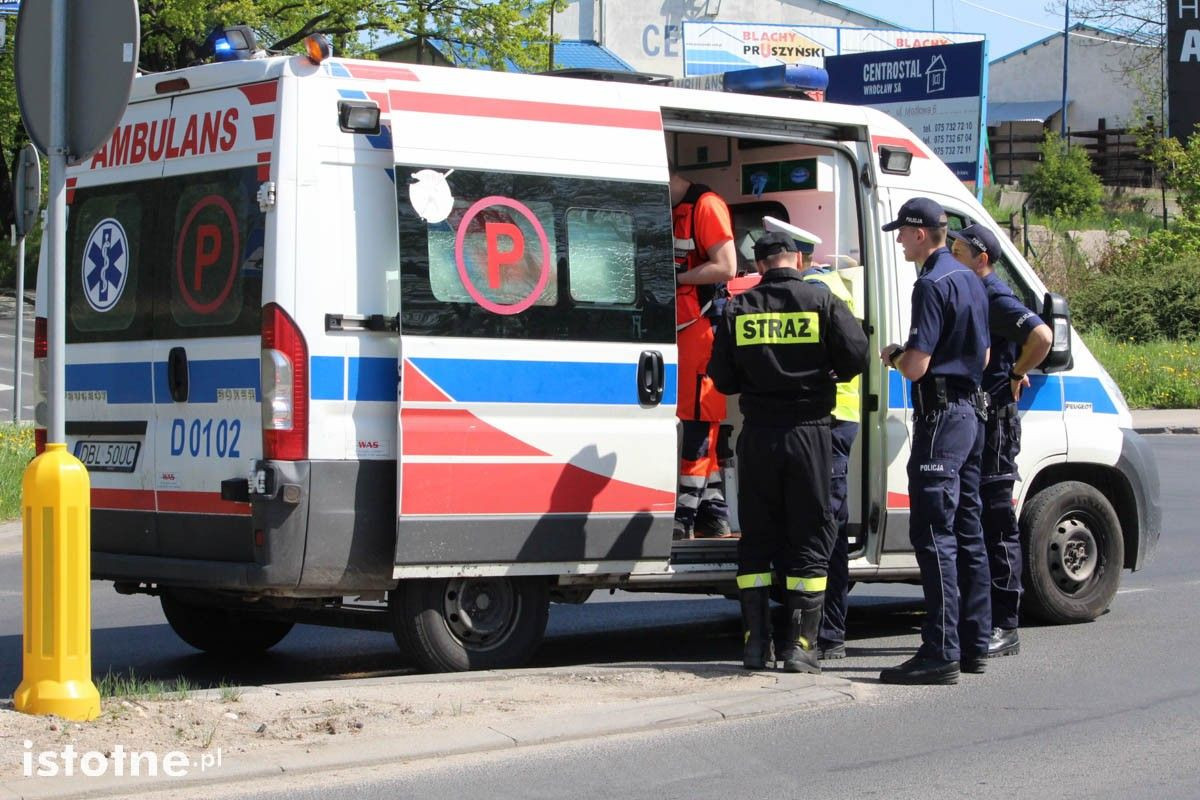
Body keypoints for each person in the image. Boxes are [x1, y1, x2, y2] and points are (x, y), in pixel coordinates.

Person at [708, 231, 868, 673]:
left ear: (759, 265)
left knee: (757, 539)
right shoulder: (822, 302)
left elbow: (722, 379)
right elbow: (857, 356)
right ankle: (800, 647)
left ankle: (755, 647)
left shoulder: (738, 308)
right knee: (809, 537)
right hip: (810, 434)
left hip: (759, 436)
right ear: (797, 259)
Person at [878, 197, 992, 685]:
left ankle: (939, 651)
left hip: (941, 419)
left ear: (920, 233)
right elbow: (984, 357)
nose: (899, 240)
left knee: (933, 535)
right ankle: (973, 643)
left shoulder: (930, 284)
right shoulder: (969, 276)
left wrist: (894, 356)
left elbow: (918, 365)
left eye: (902, 232)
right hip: (970, 414)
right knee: (968, 532)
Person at [949, 223, 1053, 659]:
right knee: (971, 519)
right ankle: (979, 618)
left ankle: (1005, 624)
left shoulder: (994, 295)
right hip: (978, 416)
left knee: (995, 522)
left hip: (996, 421)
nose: (953, 257)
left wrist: (1013, 373)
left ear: (982, 259)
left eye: (959, 251)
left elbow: (1042, 336)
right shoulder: (970, 291)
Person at [799, 248, 862, 662]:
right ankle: (826, 631)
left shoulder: (814, 291)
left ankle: (828, 632)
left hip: (829, 417)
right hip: (838, 417)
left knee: (825, 527)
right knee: (828, 524)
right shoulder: (839, 286)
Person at [670, 172, 738, 540]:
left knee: (698, 420)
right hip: (685, 328)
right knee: (699, 420)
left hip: (701, 327)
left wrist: (676, 280)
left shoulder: (705, 206)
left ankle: (685, 514)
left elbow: (727, 266)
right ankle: (713, 510)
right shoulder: (674, 207)